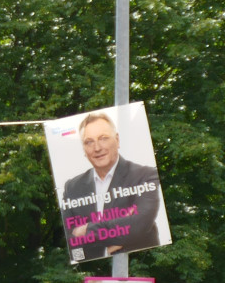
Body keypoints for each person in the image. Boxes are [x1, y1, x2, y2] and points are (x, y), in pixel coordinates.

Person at [59, 111, 164, 261]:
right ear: (83, 149)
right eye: (89, 142)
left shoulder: (145, 176)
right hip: (95, 269)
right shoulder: (72, 188)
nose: (97, 148)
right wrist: (107, 247)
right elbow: (70, 242)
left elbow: (139, 225)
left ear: (117, 140)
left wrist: (87, 229)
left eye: (103, 138)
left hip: (141, 262)